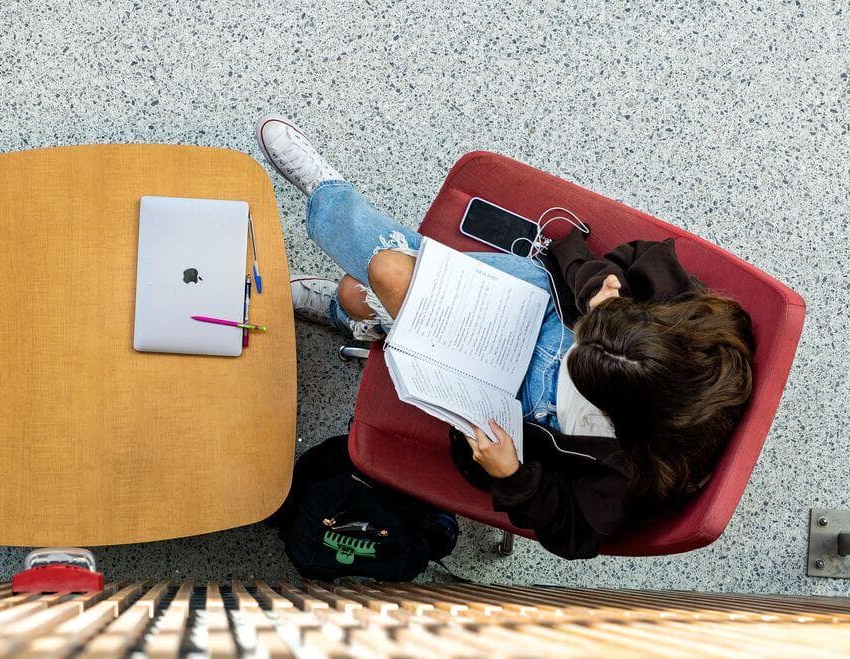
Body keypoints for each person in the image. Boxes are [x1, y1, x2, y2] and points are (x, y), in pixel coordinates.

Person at [256, 116, 755, 559]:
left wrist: (514, 475)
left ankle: (339, 225)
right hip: (541, 303)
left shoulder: (637, 471)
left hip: (509, 394)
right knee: (382, 277)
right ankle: (360, 295)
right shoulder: (702, 332)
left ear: (622, 414)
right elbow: (640, 255)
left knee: (380, 277)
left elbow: (575, 536)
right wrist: (598, 288)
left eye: (580, 365)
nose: (576, 350)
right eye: (591, 335)